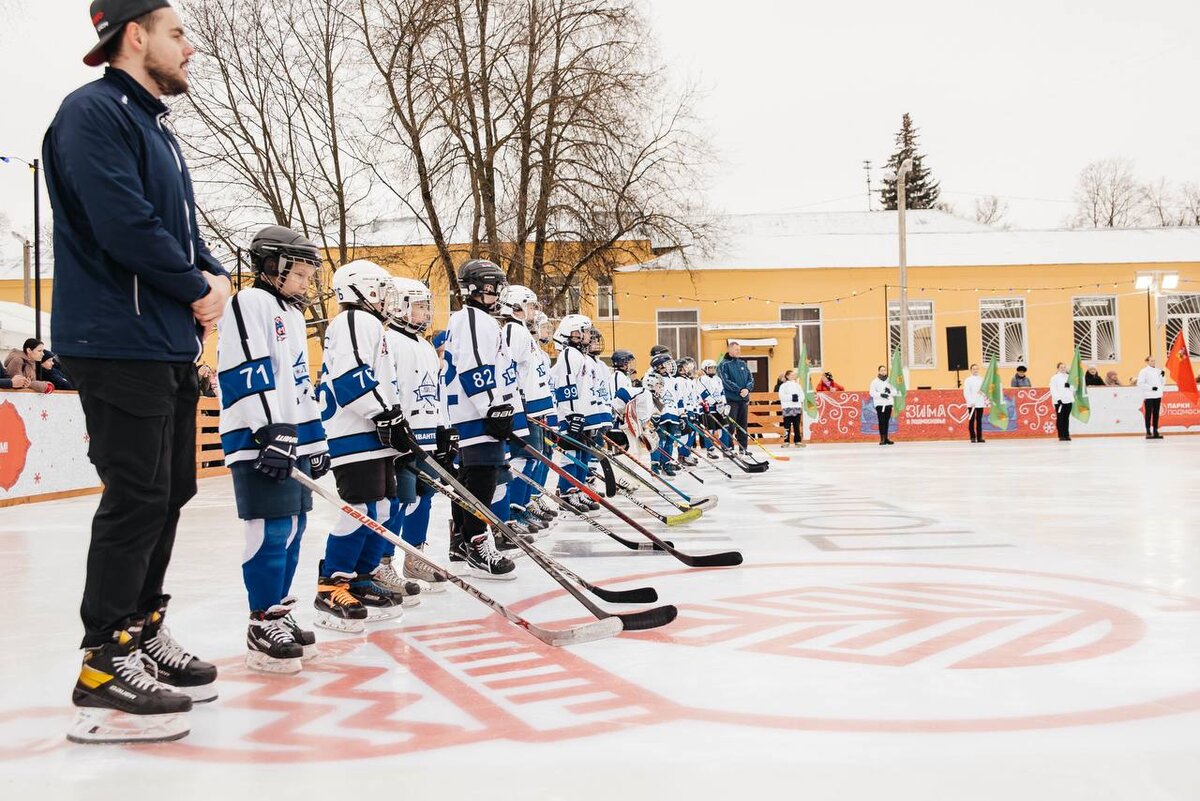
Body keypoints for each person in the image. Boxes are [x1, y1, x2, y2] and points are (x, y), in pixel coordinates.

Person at [46, 0, 231, 744]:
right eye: (178, 33)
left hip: (160, 340)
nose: (189, 48)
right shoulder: (92, 114)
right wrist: (195, 287)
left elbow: (181, 228)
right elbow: (125, 224)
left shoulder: (155, 126)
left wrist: (213, 276)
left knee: (172, 489)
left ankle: (141, 626)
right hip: (113, 335)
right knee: (136, 494)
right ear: (135, 35)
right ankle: (103, 658)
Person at [216, 225, 328, 674]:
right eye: (298, 274)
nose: (304, 283)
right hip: (257, 437)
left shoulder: (294, 315)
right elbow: (247, 369)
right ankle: (260, 620)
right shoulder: (248, 303)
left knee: (297, 526)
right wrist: (271, 429)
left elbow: (300, 384)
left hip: (289, 437)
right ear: (272, 267)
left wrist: (314, 439)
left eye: (307, 275)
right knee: (271, 528)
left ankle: (278, 609)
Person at [315, 260, 408, 632]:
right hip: (353, 432)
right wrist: (384, 414)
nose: (387, 298)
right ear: (362, 290)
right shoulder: (355, 321)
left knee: (383, 506)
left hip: (373, 431)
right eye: (381, 290)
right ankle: (331, 584)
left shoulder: (371, 325)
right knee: (360, 508)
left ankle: (361, 576)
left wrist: (394, 417)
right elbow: (350, 377)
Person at [443, 259, 525, 578]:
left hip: (469, 411)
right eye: (496, 285)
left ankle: (461, 541)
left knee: (469, 476)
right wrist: (493, 408)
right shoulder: (476, 319)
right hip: (475, 413)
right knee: (482, 478)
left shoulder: (470, 318)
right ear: (483, 288)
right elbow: (474, 367)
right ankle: (478, 543)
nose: (500, 291)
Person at [379, 276, 447, 597]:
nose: (424, 312)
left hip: (429, 434)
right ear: (401, 306)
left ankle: (414, 555)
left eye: (425, 306)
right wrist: (395, 433)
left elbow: (438, 392)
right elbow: (389, 388)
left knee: (426, 494)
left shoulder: (425, 346)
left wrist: (446, 429)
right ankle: (383, 560)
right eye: (419, 306)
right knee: (399, 499)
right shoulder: (388, 341)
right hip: (404, 436)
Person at [498, 285, 554, 536]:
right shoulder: (512, 330)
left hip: (534, 405)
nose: (533, 311)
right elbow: (508, 369)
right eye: (529, 305)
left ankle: (521, 506)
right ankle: (513, 511)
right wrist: (516, 404)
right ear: (516, 306)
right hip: (524, 406)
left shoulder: (522, 331)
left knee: (532, 458)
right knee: (521, 459)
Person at [549, 315, 600, 510]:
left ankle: (578, 489)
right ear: (574, 333)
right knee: (571, 453)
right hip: (573, 414)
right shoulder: (569, 354)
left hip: (584, 413)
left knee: (583, 453)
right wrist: (572, 413)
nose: (589, 335)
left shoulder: (581, 356)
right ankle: (566, 491)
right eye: (585, 331)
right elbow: (567, 383)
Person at [717, 342, 754, 455]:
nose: (739, 351)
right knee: (730, 425)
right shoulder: (723, 364)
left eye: (739, 349)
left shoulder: (742, 363)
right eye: (736, 349)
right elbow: (725, 381)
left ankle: (743, 447)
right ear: (730, 350)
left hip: (743, 400)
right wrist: (739, 390)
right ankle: (729, 448)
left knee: (743, 425)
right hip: (731, 400)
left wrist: (747, 389)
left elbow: (750, 378)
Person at [698, 359, 726, 457]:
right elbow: (703, 393)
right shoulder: (702, 379)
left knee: (723, 428)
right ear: (704, 369)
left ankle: (726, 448)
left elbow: (722, 392)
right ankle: (710, 450)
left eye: (714, 368)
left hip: (720, 408)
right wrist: (714, 402)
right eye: (710, 368)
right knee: (710, 429)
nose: (712, 370)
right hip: (709, 408)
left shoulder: (718, 379)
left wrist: (723, 402)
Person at [1136, 356, 1166, 439]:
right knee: (1148, 413)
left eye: (1154, 361)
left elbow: (1162, 383)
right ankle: (1148, 430)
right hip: (1148, 395)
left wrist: (1163, 376)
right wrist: (1151, 388)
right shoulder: (1144, 371)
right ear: (1147, 362)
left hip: (1158, 395)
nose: (1153, 362)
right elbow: (1140, 383)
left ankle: (1155, 430)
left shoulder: (1158, 371)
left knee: (1156, 413)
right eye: (1151, 361)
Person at [869, 365, 896, 445]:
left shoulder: (890, 381)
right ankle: (882, 439)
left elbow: (895, 391)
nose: (883, 371)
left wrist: (889, 391)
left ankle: (887, 438)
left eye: (884, 370)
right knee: (881, 421)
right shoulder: (874, 382)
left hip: (888, 403)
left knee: (887, 421)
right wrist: (881, 394)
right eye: (881, 370)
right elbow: (872, 393)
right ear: (879, 371)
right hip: (879, 404)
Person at [777, 369, 803, 447]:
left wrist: (798, 398)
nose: (793, 376)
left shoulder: (797, 385)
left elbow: (802, 395)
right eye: (792, 375)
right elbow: (781, 396)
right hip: (787, 407)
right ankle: (786, 441)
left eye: (794, 375)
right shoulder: (783, 386)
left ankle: (798, 441)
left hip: (796, 407)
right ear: (787, 376)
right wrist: (791, 397)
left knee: (796, 425)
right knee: (786, 425)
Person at [962, 363, 987, 443]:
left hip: (980, 403)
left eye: (977, 369)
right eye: (974, 369)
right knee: (972, 420)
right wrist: (970, 401)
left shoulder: (982, 379)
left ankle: (979, 437)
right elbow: (966, 392)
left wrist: (982, 392)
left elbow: (985, 390)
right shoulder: (968, 380)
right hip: (972, 404)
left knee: (979, 420)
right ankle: (973, 437)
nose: (975, 370)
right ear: (971, 370)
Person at [1050, 362, 1073, 441]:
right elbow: (1053, 389)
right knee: (1060, 418)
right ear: (1058, 369)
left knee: (1066, 418)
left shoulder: (1069, 377)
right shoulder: (1054, 378)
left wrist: (1070, 386)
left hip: (1068, 400)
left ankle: (1066, 434)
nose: (1063, 369)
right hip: (1059, 401)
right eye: (1061, 367)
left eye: (1064, 367)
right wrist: (1058, 399)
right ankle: (1061, 435)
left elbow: (1074, 389)